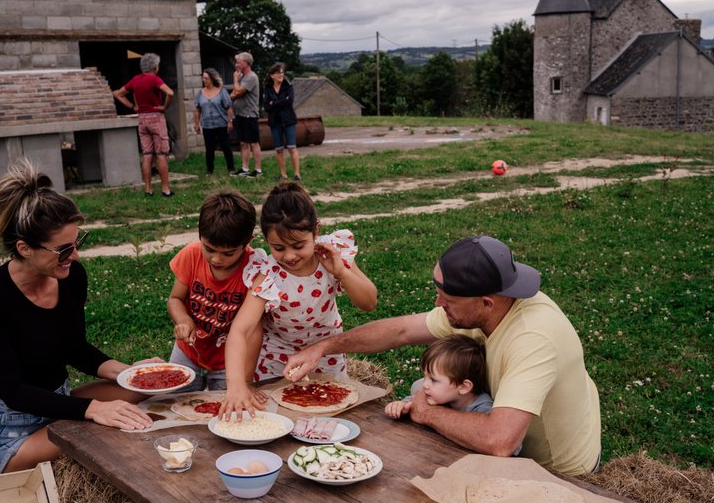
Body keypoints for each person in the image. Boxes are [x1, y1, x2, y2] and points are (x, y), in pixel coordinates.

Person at [283, 236, 602, 476]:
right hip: (508, 457)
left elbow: (500, 441)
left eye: (447, 299)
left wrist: (427, 412)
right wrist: (324, 347)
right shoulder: (490, 307)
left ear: (486, 303)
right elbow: (401, 331)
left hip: (558, 473)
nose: (438, 304)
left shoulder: (533, 338)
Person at [0, 160, 157, 474]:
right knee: (105, 434)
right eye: (64, 250)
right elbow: (12, 390)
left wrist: (129, 373)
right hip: (12, 431)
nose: (75, 256)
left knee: (147, 386)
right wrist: (93, 409)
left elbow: (74, 348)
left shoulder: (71, 276)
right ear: (25, 248)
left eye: (77, 243)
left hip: (59, 404)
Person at [220, 182, 378, 416]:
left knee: (330, 419)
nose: (290, 255)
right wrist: (236, 385)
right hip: (278, 363)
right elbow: (240, 330)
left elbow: (369, 302)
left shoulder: (333, 254)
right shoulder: (269, 275)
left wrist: (342, 272)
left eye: (298, 245)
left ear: (316, 231)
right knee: (281, 419)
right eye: (278, 247)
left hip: (326, 357)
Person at [166, 189, 262, 391]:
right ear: (200, 235)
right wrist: (183, 320)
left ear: (248, 242)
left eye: (228, 253)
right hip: (188, 352)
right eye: (209, 249)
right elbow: (175, 299)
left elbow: (254, 327)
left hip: (229, 360)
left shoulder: (254, 269)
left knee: (226, 405)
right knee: (174, 399)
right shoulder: (191, 255)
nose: (217, 259)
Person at [384, 334, 493, 418]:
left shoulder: (484, 411)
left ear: (463, 387)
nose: (425, 384)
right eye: (425, 376)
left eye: (433, 380)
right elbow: (415, 401)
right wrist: (402, 405)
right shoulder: (438, 396)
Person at [112, 52, 175, 197]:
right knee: (161, 154)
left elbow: (118, 94)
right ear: (154, 67)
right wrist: (164, 107)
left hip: (142, 119)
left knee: (147, 154)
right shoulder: (154, 79)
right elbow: (170, 93)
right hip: (156, 118)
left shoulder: (135, 80)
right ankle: (165, 189)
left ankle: (148, 189)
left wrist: (133, 106)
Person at [194, 68, 236, 176]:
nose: (204, 80)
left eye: (206, 78)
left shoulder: (222, 91)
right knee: (209, 149)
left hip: (221, 124)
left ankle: (231, 168)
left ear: (212, 79)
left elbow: (228, 108)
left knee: (226, 147)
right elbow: (197, 110)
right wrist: (196, 124)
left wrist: (230, 121)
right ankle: (209, 170)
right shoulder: (200, 93)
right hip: (207, 125)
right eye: (203, 78)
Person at [263, 63, 301, 182]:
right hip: (275, 122)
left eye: (282, 72)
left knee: (292, 147)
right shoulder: (268, 89)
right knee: (279, 149)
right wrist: (280, 102)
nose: (281, 74)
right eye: (278, 72)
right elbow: (266, 107)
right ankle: (283, 175)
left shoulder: (288, 86)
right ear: (272, 75)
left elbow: (289, 101)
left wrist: (274, 103)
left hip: (288, 120)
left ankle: (297, 174)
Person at [230, 52, 262, 177]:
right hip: (240, 114)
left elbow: (238, 91)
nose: (236, 65)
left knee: (253, 142)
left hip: (250, 114)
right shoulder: (242, 77)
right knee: (243, 142)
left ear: (246, 63)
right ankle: (245, 168)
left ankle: (258, 170)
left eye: (238, 62)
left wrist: (235, 79)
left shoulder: (251, 77)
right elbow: (234, 94)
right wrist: (237, 92)